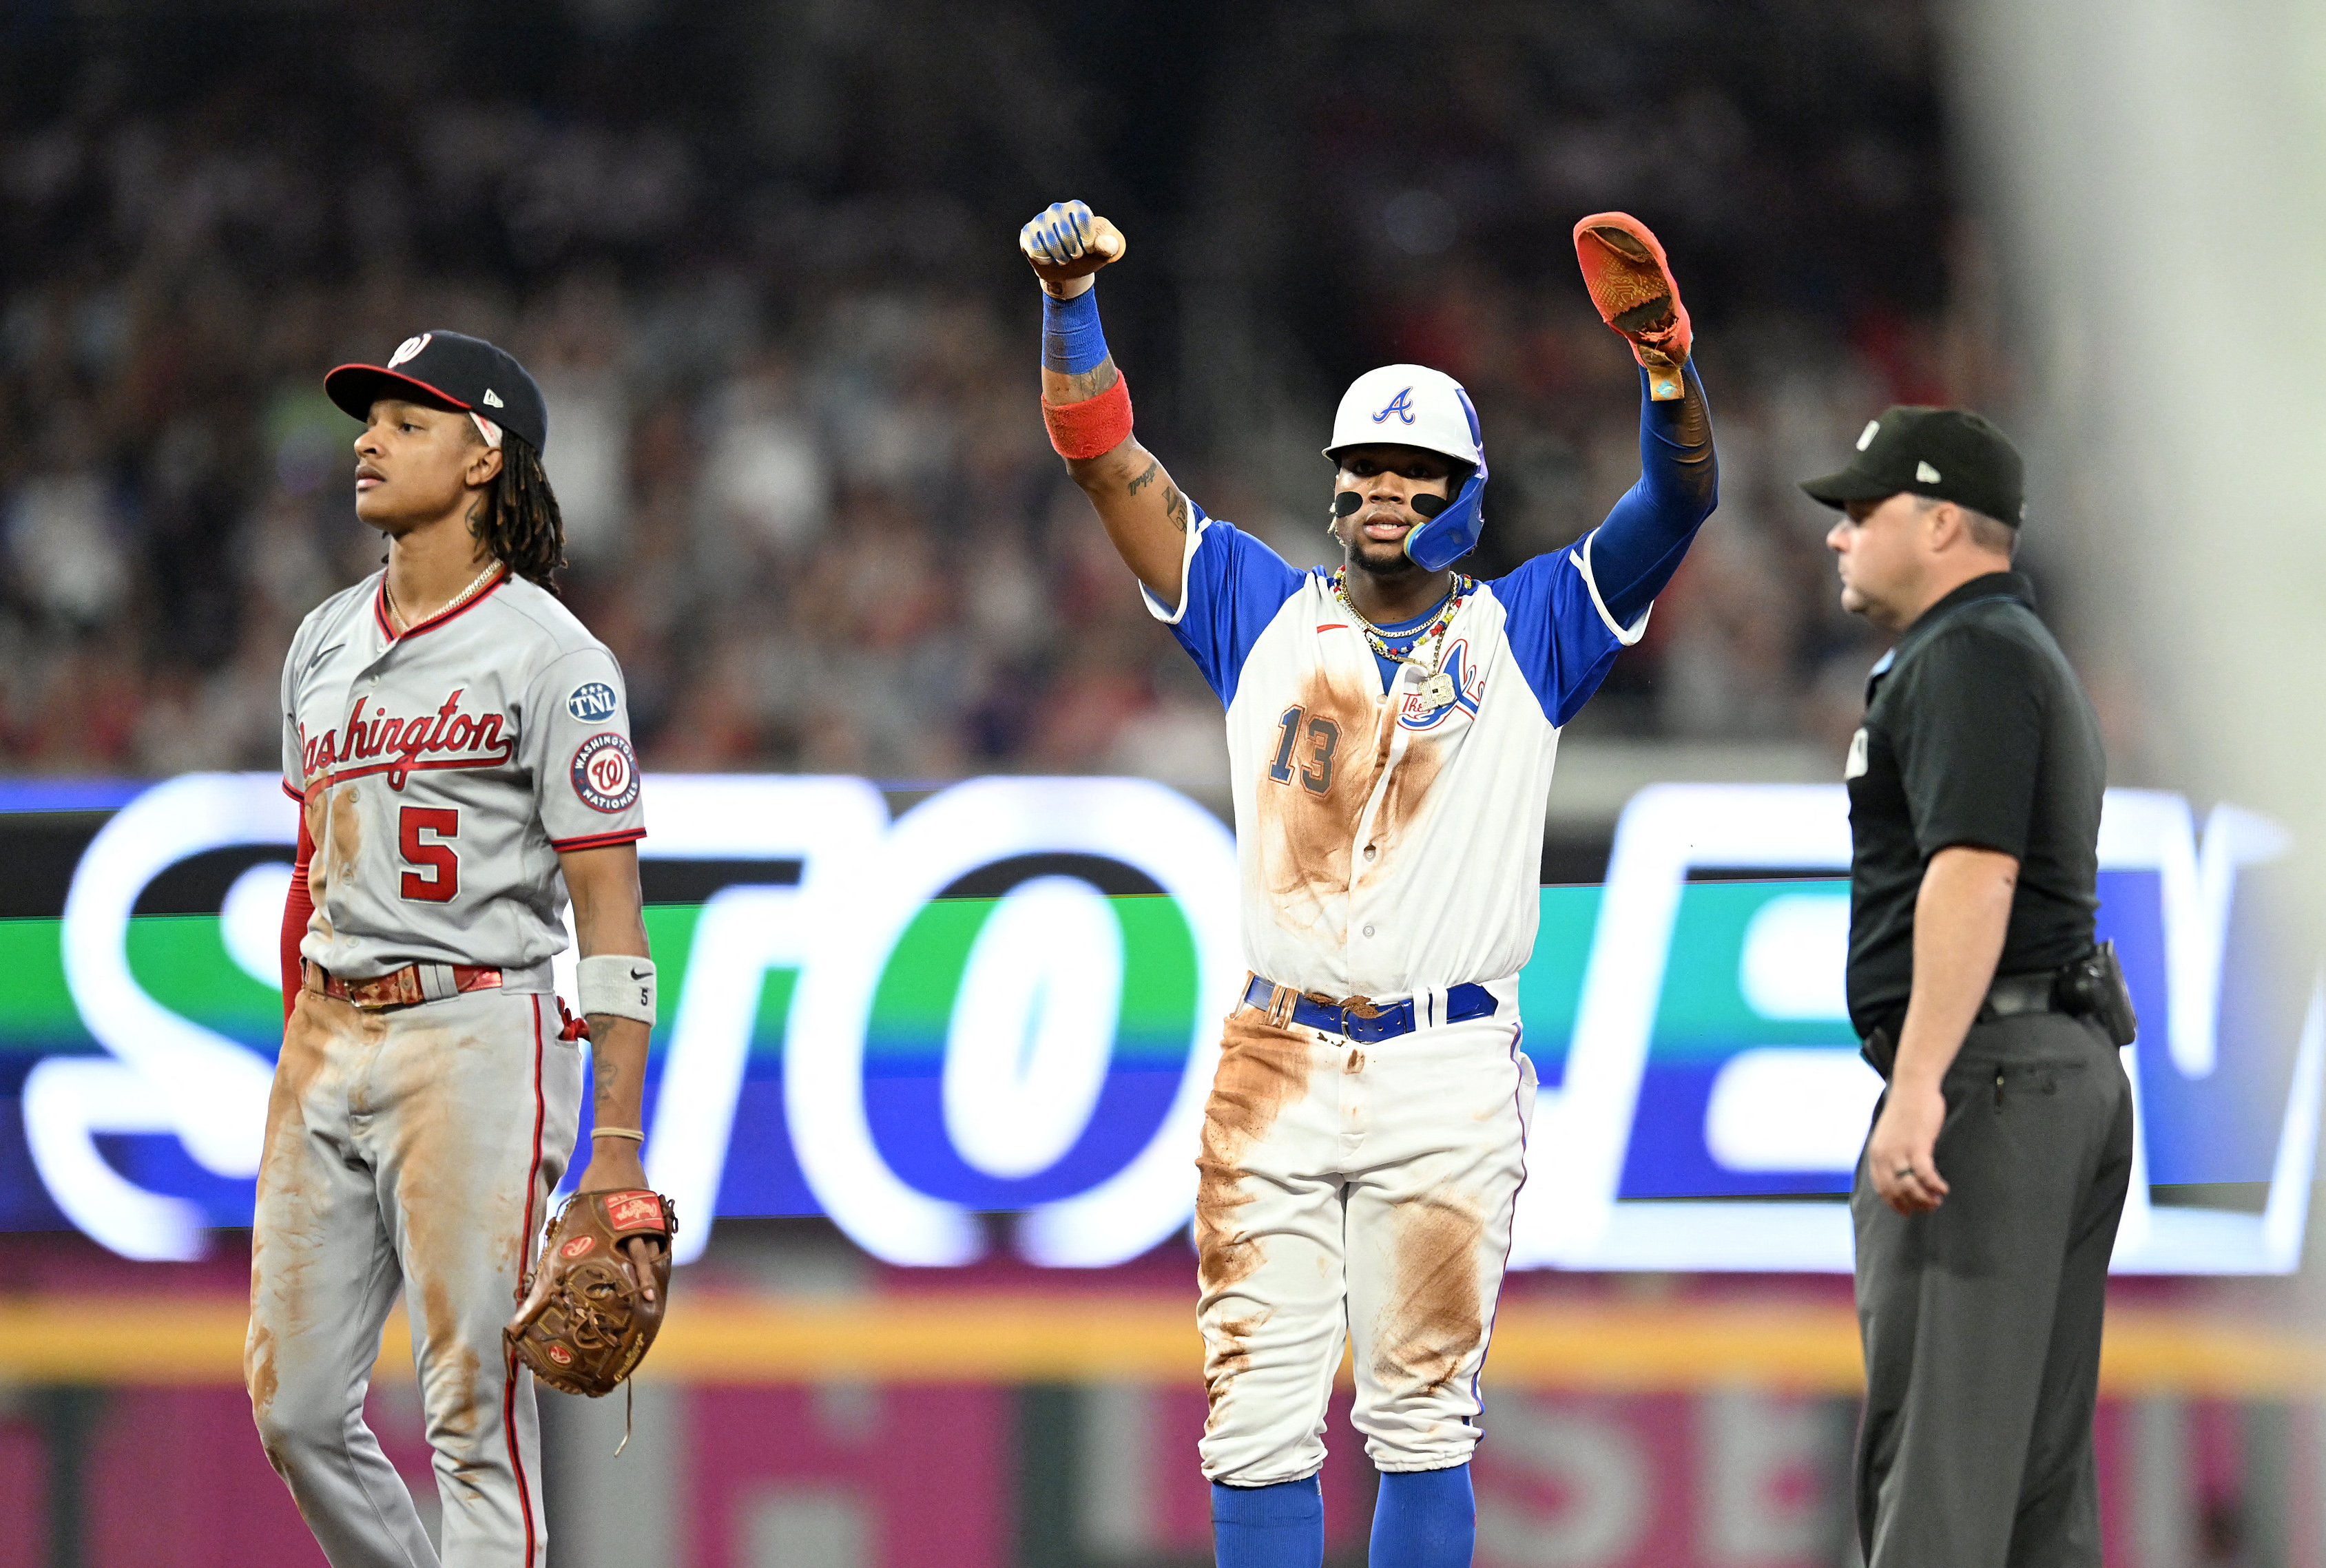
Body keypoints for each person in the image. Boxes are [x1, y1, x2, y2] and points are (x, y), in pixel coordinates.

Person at [1019, 199, 1717, 1568]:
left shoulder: (1535, 625)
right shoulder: (1257, 607)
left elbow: (1677, 500)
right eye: (1364, 466)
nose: (1385, 489)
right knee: (1257, 1422)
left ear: (1468, 493)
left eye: (1417, 468)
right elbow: (1103, 457)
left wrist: (1666, 373)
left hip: (1448, 1062)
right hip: (1277, 1047)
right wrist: (1068, 307)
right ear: (1333, 483)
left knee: (1421, 1415)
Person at [247, 329, 663, 1567]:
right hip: (328, 1027)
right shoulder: (320, 640)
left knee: (473, 1416)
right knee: (297, 1409)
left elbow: (611, 911)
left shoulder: (556, 658)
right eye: (367, 418)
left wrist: (619, 1146)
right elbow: (310, 866)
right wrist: (297, 1037)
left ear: (487, 456)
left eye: (407, 420)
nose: (368, 438)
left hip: (475, 1029)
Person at [1803, 408, 2135, 1568]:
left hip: (1992, 1079)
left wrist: (1919, 1084)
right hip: (2050, 1062)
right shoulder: (2014, 648)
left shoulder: (1965, 653)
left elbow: (1973, 869)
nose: (1838, 538)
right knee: (2033, 1497)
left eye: (1861, 512)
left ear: (1941, 521)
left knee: (1939, 1482)